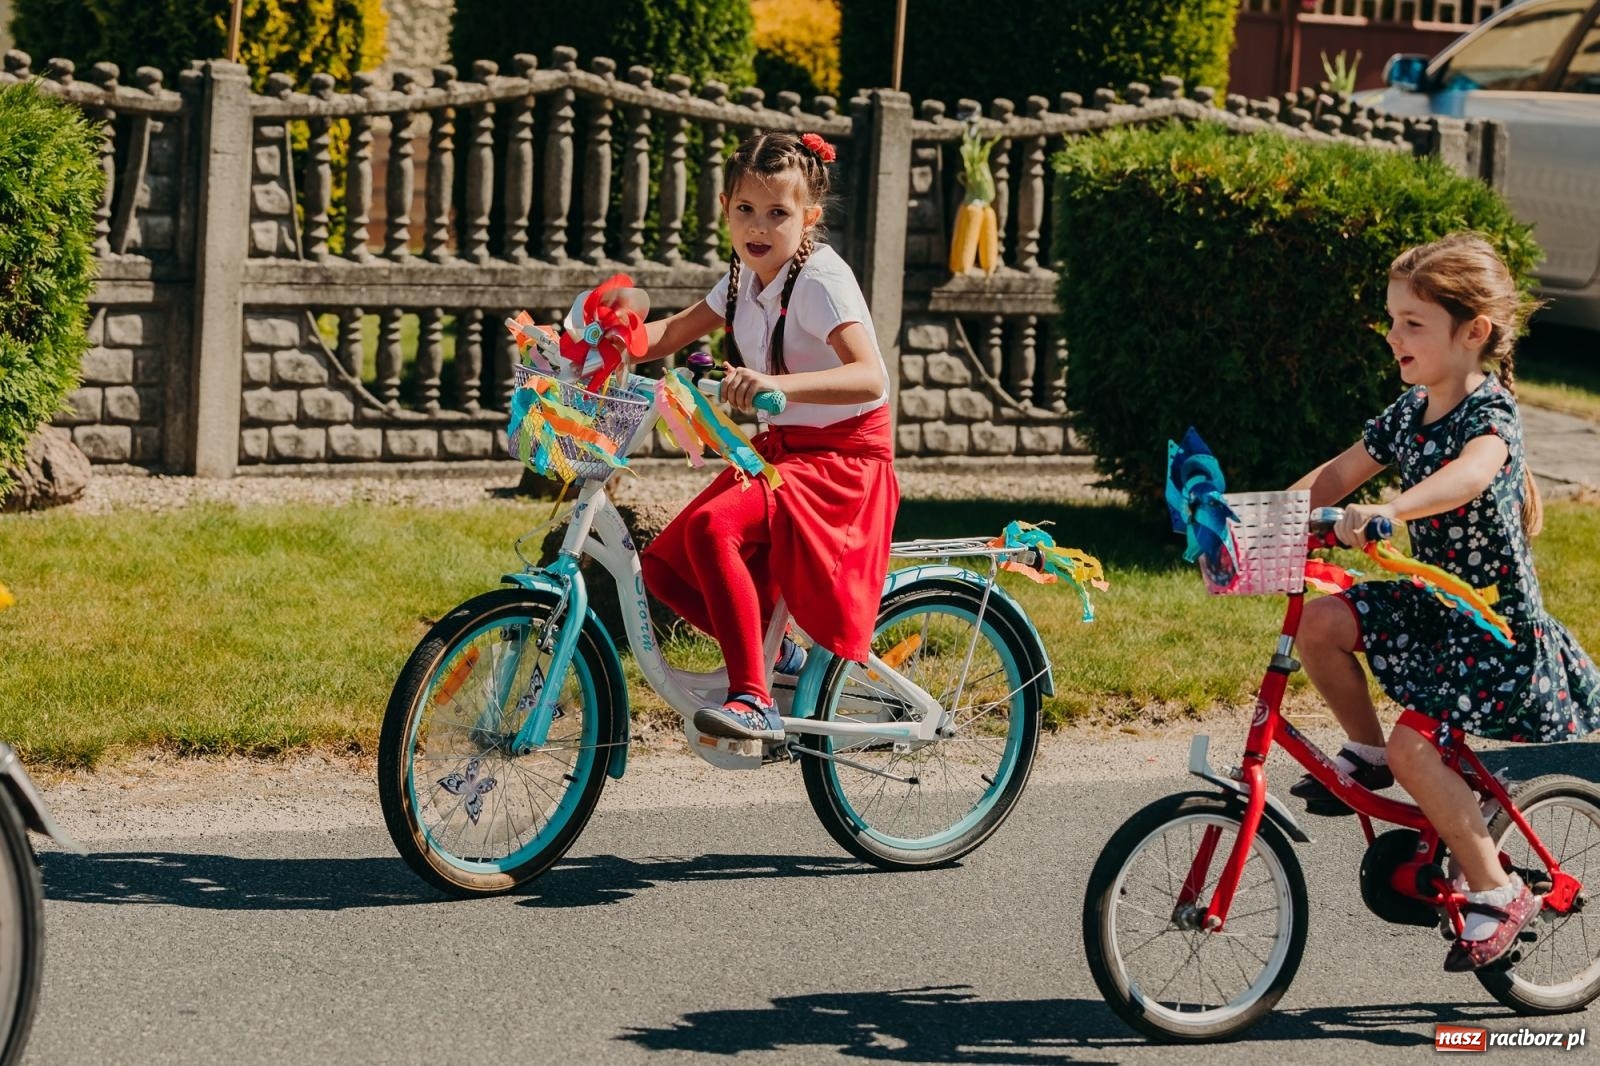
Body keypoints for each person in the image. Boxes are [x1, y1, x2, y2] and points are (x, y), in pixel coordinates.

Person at [1287, 232, 1600, 972]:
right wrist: (1263, 518)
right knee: (1318, 622)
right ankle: (1366, 753)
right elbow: (1336, 475)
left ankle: (1498, 890)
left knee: (1417, 749)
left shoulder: (1490, 416)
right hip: (1433, 608)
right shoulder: (1410, 410)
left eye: (1413, 323)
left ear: (1473, 333)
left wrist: (1393, 509)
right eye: (1392, 319)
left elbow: (1469, 474)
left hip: (1490, 628)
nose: (1393, 335)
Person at [636, 130, 899, 742]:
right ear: (725, 208)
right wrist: (588, 341)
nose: (758, 227)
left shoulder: (819, 281)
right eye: (745, 209)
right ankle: (777, 657)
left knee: (712, 529)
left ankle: (753, 699)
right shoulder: (744, 276)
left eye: (778, 213)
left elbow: (870, 377)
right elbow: (671, 332)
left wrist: (776, 384)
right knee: (663, 570)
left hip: (842, 459)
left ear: (808, 218)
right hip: (785, 452)